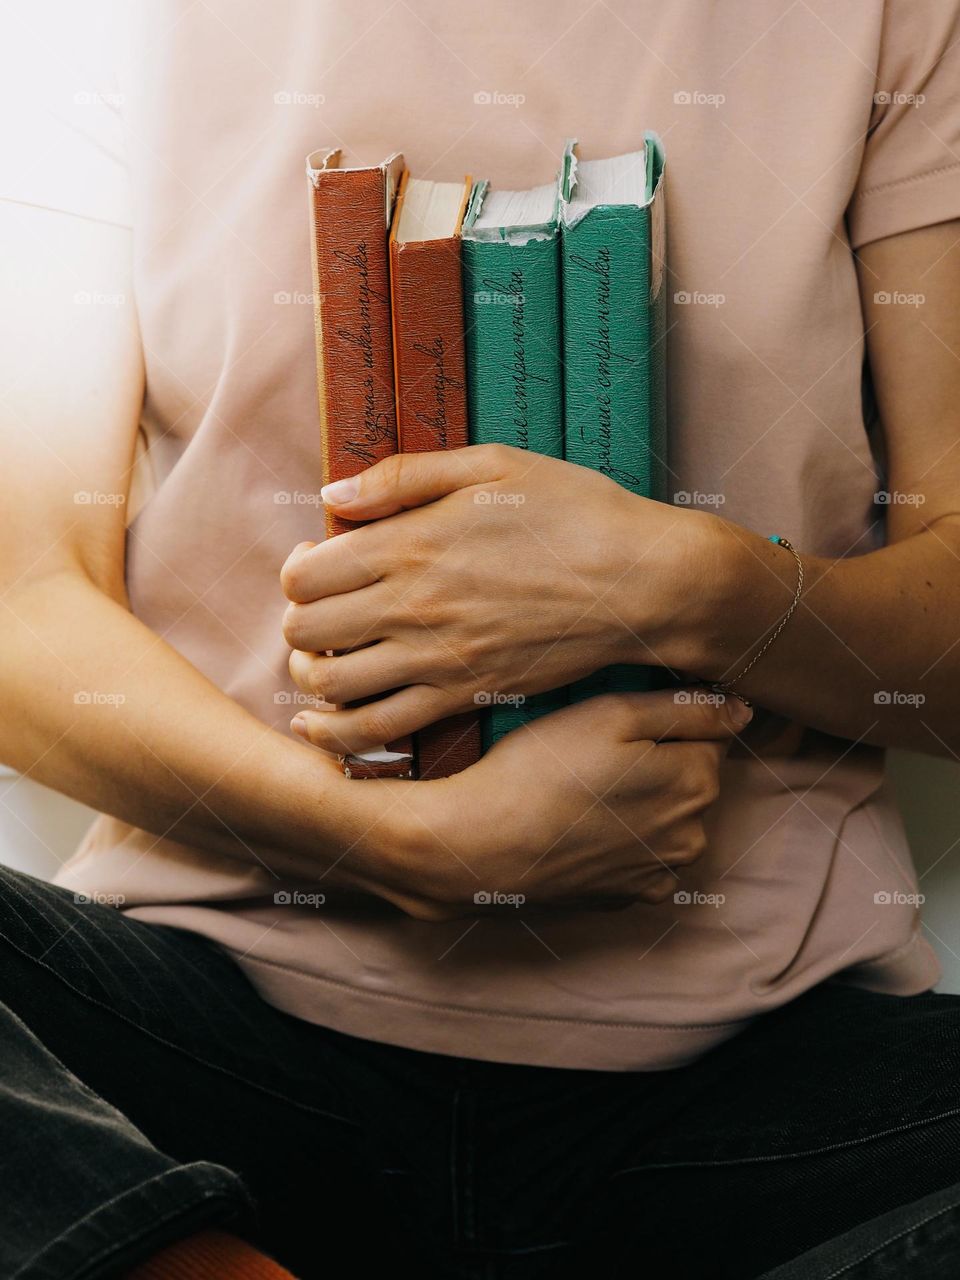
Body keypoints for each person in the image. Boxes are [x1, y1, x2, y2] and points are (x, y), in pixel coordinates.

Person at [2, 0, 960, 1276]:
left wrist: (699, 587)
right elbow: (22, 604)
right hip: (199, 1036)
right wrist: (401, 846)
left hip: (767, 1084)